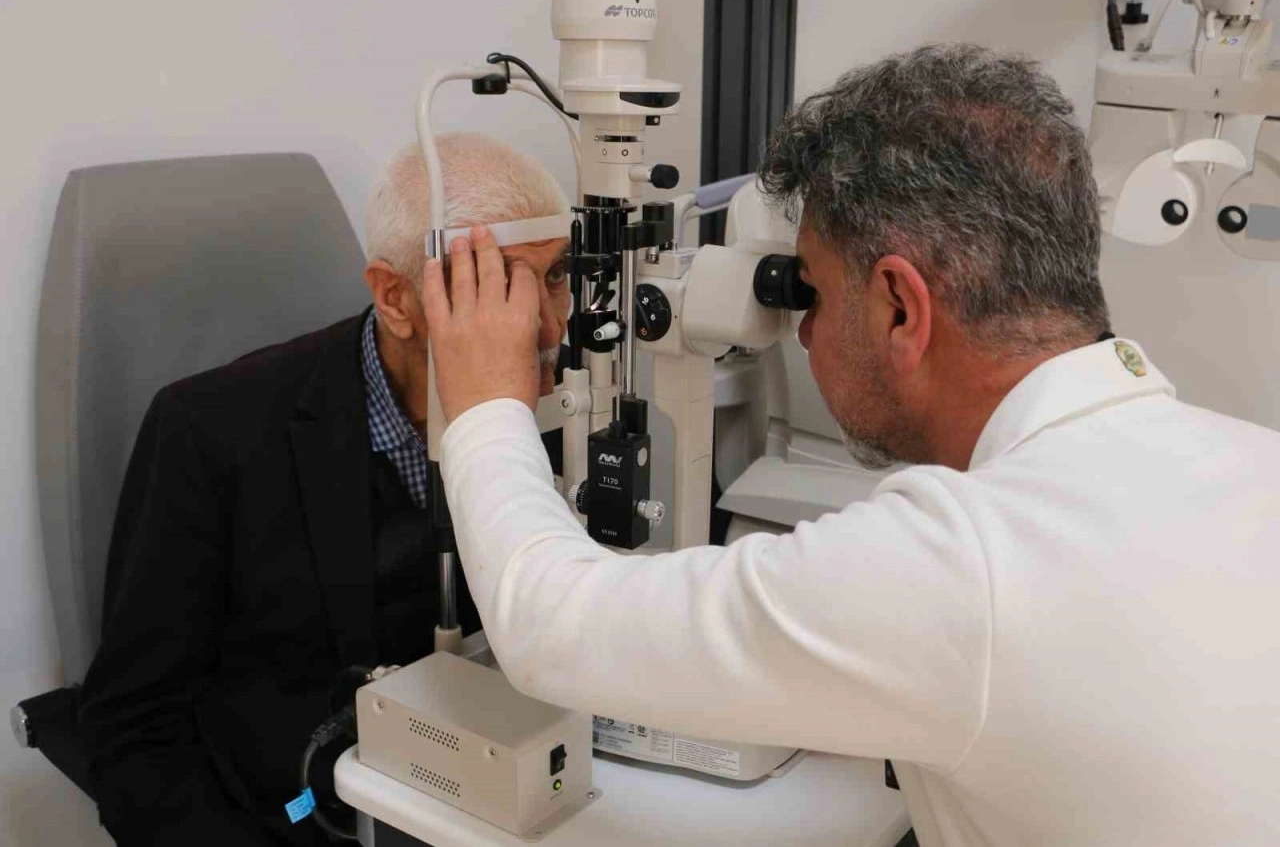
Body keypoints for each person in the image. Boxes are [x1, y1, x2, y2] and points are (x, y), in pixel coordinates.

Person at [422, 46, 1280, 846]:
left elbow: (548, 625)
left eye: (817, 295)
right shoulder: (1251, 460)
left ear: (901, 307)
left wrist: (485, 402)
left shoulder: (961, 563)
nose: (802, 335)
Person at [78, 132, 573, 847]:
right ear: (396, 298)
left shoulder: (567, 406)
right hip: (300, 811)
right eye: (496, 286)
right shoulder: (210, 434)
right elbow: (134, 733)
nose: (549, 327)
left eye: (555, 276)